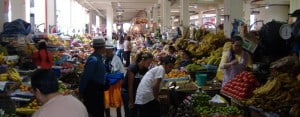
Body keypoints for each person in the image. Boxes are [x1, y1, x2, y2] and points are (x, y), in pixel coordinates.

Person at [79, 37, 108, 117]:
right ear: (101, 48)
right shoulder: (94, 60)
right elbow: (86, 77)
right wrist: (81, 91)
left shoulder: (98, 58)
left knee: (99, 112)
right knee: (95, 113)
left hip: (98, 91)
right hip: (93, 92)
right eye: (104, 47)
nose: (105, 48)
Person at [121, 52, 154, 117]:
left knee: (136, 112)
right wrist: (131, 101)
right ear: (143, 60)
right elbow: (130, 86)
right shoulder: (133, 67)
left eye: (150, 63)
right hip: (127, 92)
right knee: (130, 113)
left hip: (136, 92)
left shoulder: (145, 70)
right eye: (148, 63)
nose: (149, 65)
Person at [104, 45, 126, 117]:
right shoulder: (103, 58)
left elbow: (122, 71)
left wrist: (121, 79)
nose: (107, 52)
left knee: (117, 100)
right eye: (106, 50)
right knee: (106, 100)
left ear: (113, 50)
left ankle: (119, 115)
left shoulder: (117, 58)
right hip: (106, 82)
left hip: (116, 83)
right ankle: (107, 115)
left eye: (109, 50)